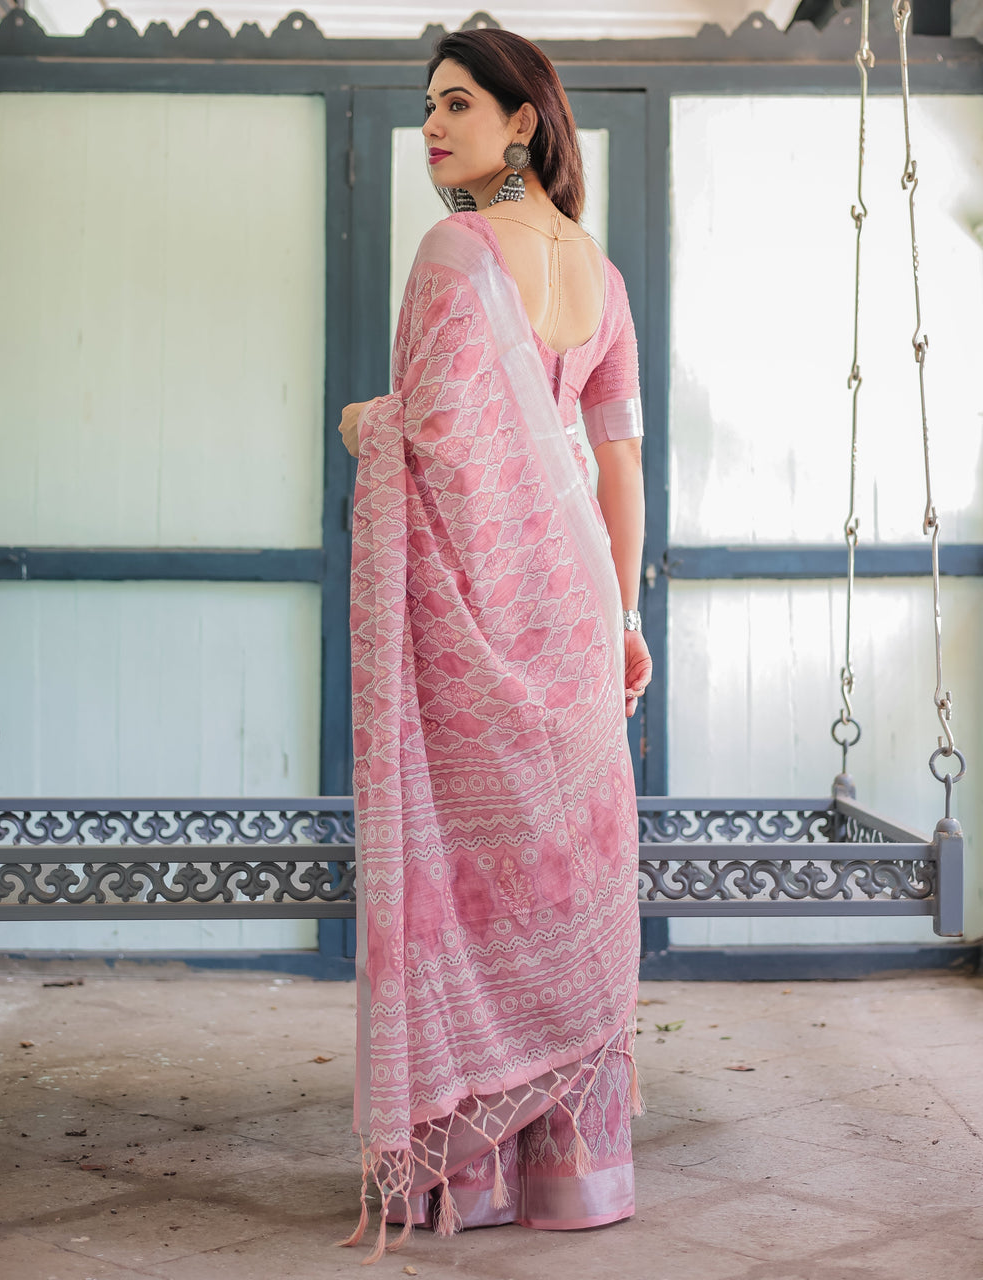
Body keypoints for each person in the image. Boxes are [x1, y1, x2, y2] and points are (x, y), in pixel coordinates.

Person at [337, 26, 652, 1264]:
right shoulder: (601, 274)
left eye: (459, 105)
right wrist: (621, 616)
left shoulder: (456, 253)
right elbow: (616, 461)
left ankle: (462, 1172)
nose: (433, 128)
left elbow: (439, 442)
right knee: (562, 878)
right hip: (571, 614)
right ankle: (575, 1173)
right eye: (427, 109)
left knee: (469, 882)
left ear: (523, 121)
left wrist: (365, 418)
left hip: (486, 617)